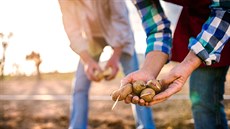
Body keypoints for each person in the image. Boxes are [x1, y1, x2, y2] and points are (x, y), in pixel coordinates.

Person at [121, 0, 230, 129]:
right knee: (203, 104)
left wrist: (189, 63)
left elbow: (226, 9)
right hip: (203, 25)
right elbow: (157, 28)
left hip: (223, 18)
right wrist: (148, 70)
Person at [58, 0, 156, 129]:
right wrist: (87, 61)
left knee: (136, 82)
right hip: (91, 38)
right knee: (80, 86)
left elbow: (120, 19)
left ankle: (146, 126)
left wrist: (116, 55)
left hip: (120, 35)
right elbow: (72, 29)